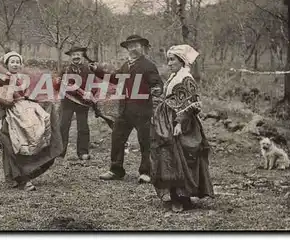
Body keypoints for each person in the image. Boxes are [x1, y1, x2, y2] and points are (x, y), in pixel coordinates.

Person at [90, 35, 164, 183]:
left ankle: (146, 172)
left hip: (142, 110)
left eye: (135, 46)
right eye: (130, 46)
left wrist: (156, 89)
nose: (132, 49)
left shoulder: (148, 65)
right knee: (117, 138)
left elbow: (158, 84)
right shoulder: (125, 66)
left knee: (145, 141)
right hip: (124, 110)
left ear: (142, 47)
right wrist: (97, 71)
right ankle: (116, 170)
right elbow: (115, 79)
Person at [150, 44, 214, 213]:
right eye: (168, 60)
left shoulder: (186, 78)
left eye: (172, 60)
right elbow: (171, 97)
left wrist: (179, 123)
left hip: (182, 124)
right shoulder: (174, 76)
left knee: (182, 158)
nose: (169, 63)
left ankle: (182, 197)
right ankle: (174, 195)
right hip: (167, 120)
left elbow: (194, 104)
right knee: (169, 157)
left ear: (182, 61)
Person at [0, 51, 63, 192]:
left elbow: (26, 96)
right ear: (7, 64)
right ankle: (20, 178)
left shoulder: (21, 79)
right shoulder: (3, 79)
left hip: (23, 112)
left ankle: (15, 176)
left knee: (29, 139)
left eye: (17, 62)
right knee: (12, 145)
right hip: (9, 115)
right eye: (12, 62)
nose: (15, 64)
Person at [56, 46, 97, 160]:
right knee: (63, 126)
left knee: (83, 127)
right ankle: (60, 152)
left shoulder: (88, 69)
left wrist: (90, 92)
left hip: (83, 102)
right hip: (67, 101)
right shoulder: (65, 69)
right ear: (70, 57)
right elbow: (57, 85)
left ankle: (83, 152)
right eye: (73, 55)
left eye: (78, 54)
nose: (76, 57)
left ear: (82, 56)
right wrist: (59, 83)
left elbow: (94, 84)